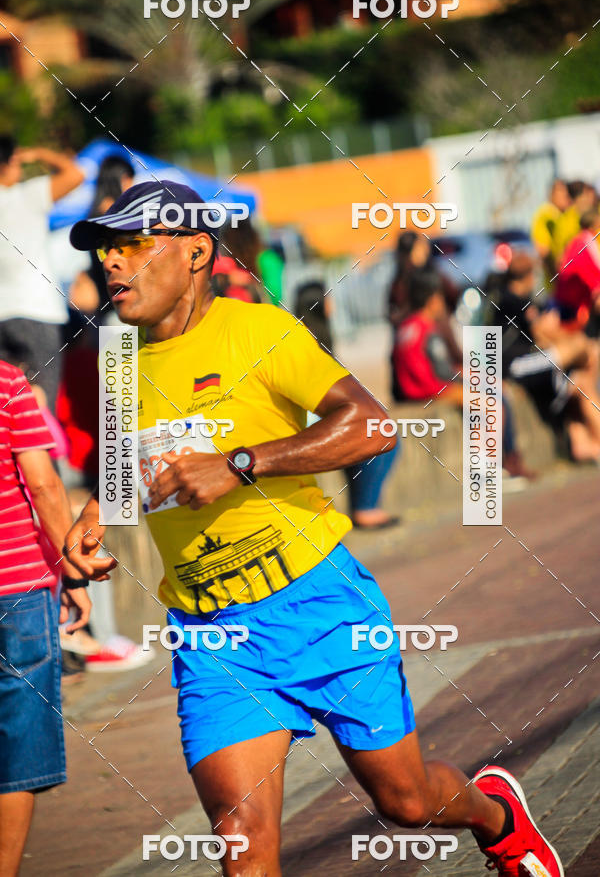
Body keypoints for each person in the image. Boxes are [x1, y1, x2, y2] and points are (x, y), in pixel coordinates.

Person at [65, 180, 563, 877]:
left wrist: (240, 464)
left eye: (134, 245)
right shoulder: (119, 364)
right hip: (214, 637)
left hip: (317, 605)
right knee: (243, 842)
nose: (112, 263)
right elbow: (122, 479)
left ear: (197, 252)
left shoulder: (260, 332)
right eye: (105, 251)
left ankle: (496, 814)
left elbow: (373, 426)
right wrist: (91, 523)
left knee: (408, 803)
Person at [0, 359, 91, 877]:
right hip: (16, 587)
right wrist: (72, 573)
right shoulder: (8, 382)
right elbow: (45, 486)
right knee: (19, 743)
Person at [294, 280, 399, 530]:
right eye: (328, 297)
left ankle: (365, 505)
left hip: (318, 419)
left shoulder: (313, 333)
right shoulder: (309, 340)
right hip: (309, 423)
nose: (333, 304)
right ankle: (366, 508)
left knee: (377, 429)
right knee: (380, 435)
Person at [0, 136, 84, 413]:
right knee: (41, 411)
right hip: (37, 312)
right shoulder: (27, 195)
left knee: (9, 411)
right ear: (12, 162)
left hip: (2, 317)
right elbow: (75, 173)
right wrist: (37, 152)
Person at [490, 251, 600, 461]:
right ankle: (585, 441)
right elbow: (542, 333)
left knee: (581, 381)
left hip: (533, 362)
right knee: (581, 353)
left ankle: (583, 442)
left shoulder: (516, 299)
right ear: (529, 276)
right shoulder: (512, 301)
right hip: (516, 365)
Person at [69, 155, 135, 323]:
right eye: (130, 179)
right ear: (121, 178)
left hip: (107, 311)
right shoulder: (117, 218)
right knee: (124, 349)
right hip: (123, 311)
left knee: (118, 350)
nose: (132, 186)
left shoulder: (93, 217)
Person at [392, 269, 463, 405]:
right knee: (491, 405)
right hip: (427, 391)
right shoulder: (422, 329)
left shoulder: (409, 326)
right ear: (433, 299)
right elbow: (432, 375)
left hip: (419, 389)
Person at [555, 208, 600, 333]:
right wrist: (596, 288)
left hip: (567, 297)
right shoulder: (587, 240)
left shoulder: (577, 240)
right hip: (575, 300)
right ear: (595, 223)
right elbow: (590, 269)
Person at [530, 178, 570, 287]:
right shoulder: (545, 214)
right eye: (562, 194)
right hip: (557, 285)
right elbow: (544, 251)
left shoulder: (566, 214)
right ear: (552, 195)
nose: (566, 197)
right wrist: (558, 279)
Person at [552, 180, 597, 266]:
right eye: (587, 194)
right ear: (580, 197)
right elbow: (561, 258)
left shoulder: (594, 213)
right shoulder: (566, 221)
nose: (591, 198)